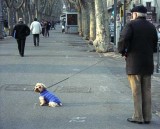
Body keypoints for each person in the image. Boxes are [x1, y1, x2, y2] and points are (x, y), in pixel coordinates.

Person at [118, 5, 158, 124]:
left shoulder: (130, 25)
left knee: (136, 91)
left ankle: (138, 116)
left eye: (132, 14)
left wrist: (122, 51)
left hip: (134, 63)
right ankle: (147, 117)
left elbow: (123, 39)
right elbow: (155, 44)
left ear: (135, 14)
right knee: (147, 90)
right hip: (148, 63)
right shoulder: (152, 27)